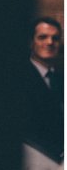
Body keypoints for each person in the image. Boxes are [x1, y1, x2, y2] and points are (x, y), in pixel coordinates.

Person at [23, 17, 63, 161]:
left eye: (55, 38)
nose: (50, 42)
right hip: (34, 161)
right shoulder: (19, 78)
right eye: (42, 37)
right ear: (31, 42)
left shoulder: (60, 80)